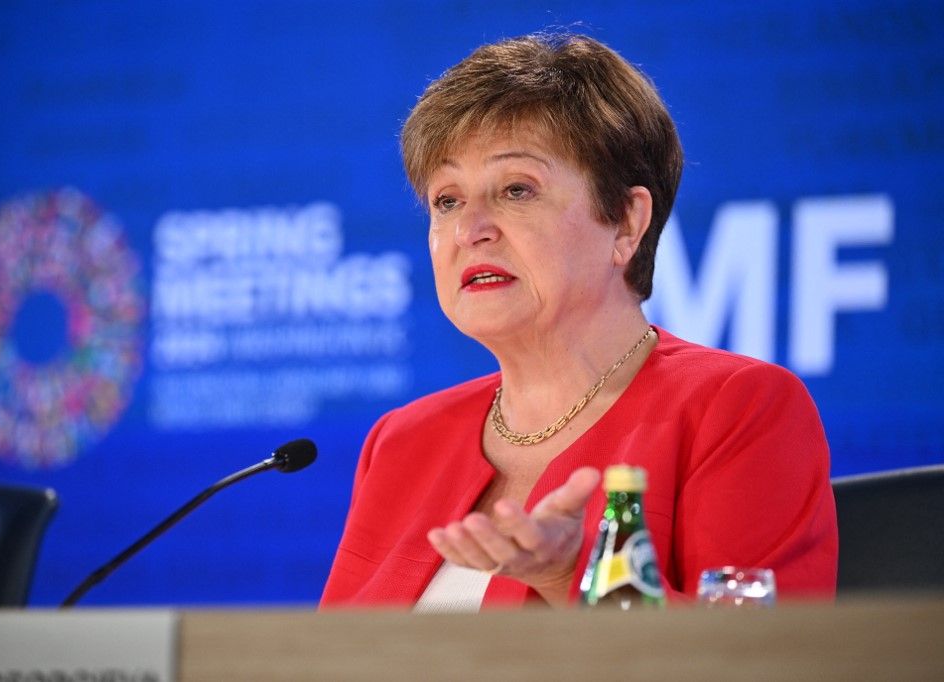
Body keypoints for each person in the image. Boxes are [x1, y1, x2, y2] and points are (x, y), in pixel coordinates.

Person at [320, 32, 837, 610]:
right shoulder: (403, 442)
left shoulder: (735, 409)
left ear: (624, 222)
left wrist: (573, 577)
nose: (470, 231)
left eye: (516, 189)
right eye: (447, 201)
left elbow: (759, 660)